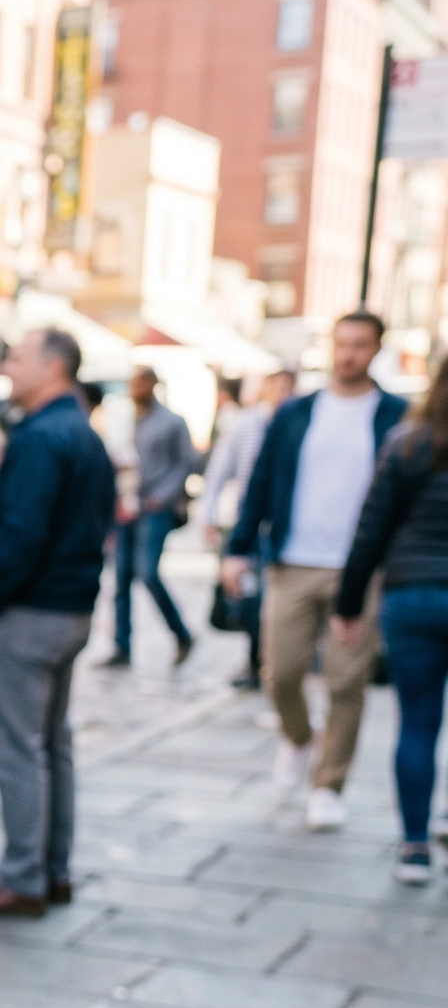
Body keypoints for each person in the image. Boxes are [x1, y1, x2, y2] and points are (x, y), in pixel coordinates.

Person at [0, 328, 117, 918]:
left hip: (29, 613)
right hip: (67, 609)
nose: (7, 367)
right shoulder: (80, 431)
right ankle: (51, 868)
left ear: (53, 367)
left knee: (20, 749)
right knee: (51, 745)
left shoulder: (43, 437)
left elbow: (21, 531)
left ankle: (23, 876)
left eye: (16, 358)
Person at [221, 311, 407, 831]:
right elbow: (260, 481)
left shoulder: (396, 415)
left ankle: (329, 785)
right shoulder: (296, 413)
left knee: (347, 682)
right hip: (294, 561)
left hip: (361, 570)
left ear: (376, 350)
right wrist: (238, 548)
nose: (348, 354)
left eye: (360, 345)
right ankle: (300, 737)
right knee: (280, 672)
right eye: (342, 343)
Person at [334, 348, 448, 884]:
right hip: (419, 591)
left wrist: (349, 603)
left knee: (418, 722)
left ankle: (415, 846)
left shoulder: (408, 442)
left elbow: (371, 528)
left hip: (412, 595)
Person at [200, 366, 298, 687]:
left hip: (285, 523)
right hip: (249, 522)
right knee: (251, 598)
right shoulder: (245, 425)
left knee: (275, 596)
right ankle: (257, 660)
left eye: (289, 388)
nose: (284, 394)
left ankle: (269, 659)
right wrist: (208, 515)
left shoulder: (298, 425)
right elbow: (219, 471)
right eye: (278, 387)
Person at [104, 367, 201, 667]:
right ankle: (122, 645)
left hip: (154, 507)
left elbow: (187, 462)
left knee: (147, 573)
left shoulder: (172, 421)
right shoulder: (124, 420)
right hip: (126, 505)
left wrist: (165, 495)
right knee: (120, 578)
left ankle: (181, 633)